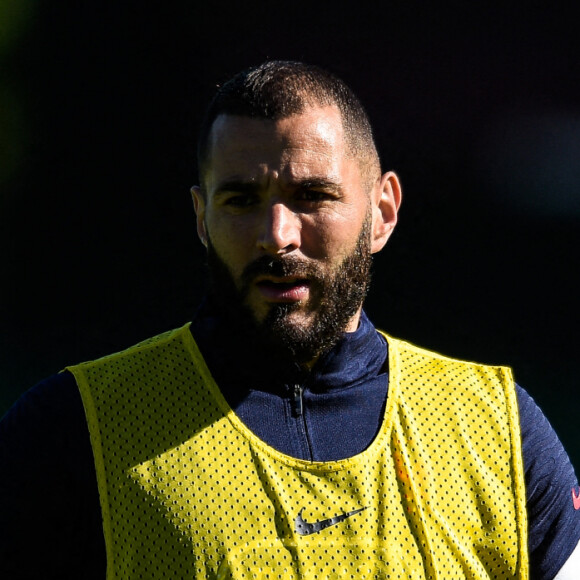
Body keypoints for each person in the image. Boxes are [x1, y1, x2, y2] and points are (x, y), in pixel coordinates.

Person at [1, 61, 579, 579]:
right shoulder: (72, 430)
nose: (277, 234)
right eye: (241, 199)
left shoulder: (500, 430)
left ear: (382, 212)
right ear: (201, 219)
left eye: (313, 196)